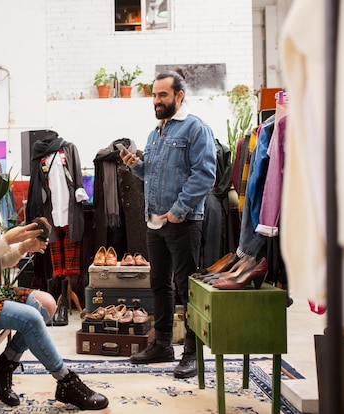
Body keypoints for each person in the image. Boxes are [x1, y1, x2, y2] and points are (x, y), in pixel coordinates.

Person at [0, 144, 108, 410]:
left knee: (47, 303)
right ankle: (66, 381)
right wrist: (6, 240)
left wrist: (23, 247)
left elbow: (1, 260)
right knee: (31, 317)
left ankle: (4, 365)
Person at [120, 70, 217, 378]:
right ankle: (162, 344)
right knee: (159, 284)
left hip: (183, 221)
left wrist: (178, 209)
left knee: (188, 287)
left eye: (163, 95)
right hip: (154, 222)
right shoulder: (155, 134)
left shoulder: (195, 128)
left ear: (179, 96)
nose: (156, 101)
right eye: (154, 95)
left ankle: (192, 351)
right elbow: (153, 174)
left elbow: (204, 174)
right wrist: (137, 166)